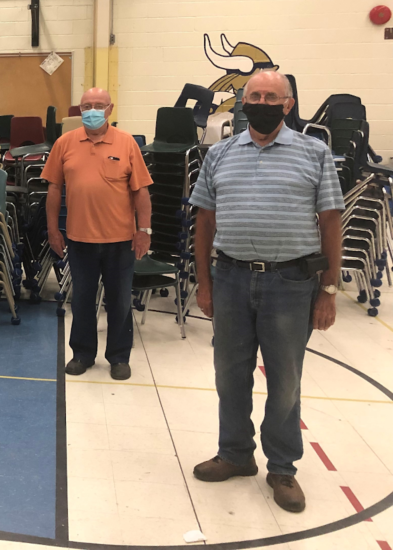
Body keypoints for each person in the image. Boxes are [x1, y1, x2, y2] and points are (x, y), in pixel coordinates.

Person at [190, 70, 344, 513]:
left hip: (292, 283)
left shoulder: (314, 153)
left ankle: (282, 467)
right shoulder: (219, 154)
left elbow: (331, 222)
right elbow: (205, 221)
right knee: (230, 375)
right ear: (243, 102)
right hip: (232, 279)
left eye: (270, 96)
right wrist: (205, 283)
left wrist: (329, 289)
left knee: (285, 381)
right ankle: (236, 454)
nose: (260, 101)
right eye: (253, 95)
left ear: (288, 104)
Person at [42, 88, 153, 381]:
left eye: (99, 105)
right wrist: (53, 229)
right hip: (79, 240)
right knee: (81, 300)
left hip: (121, 241)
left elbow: (141, 191)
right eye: (87, 105)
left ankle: (119, 357)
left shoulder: (127, 143)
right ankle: (82, 354)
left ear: (110, 109)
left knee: (119, 302)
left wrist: (144, 231)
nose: (92, 110)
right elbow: (53, 189)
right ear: (79, 109)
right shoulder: (65, 144)